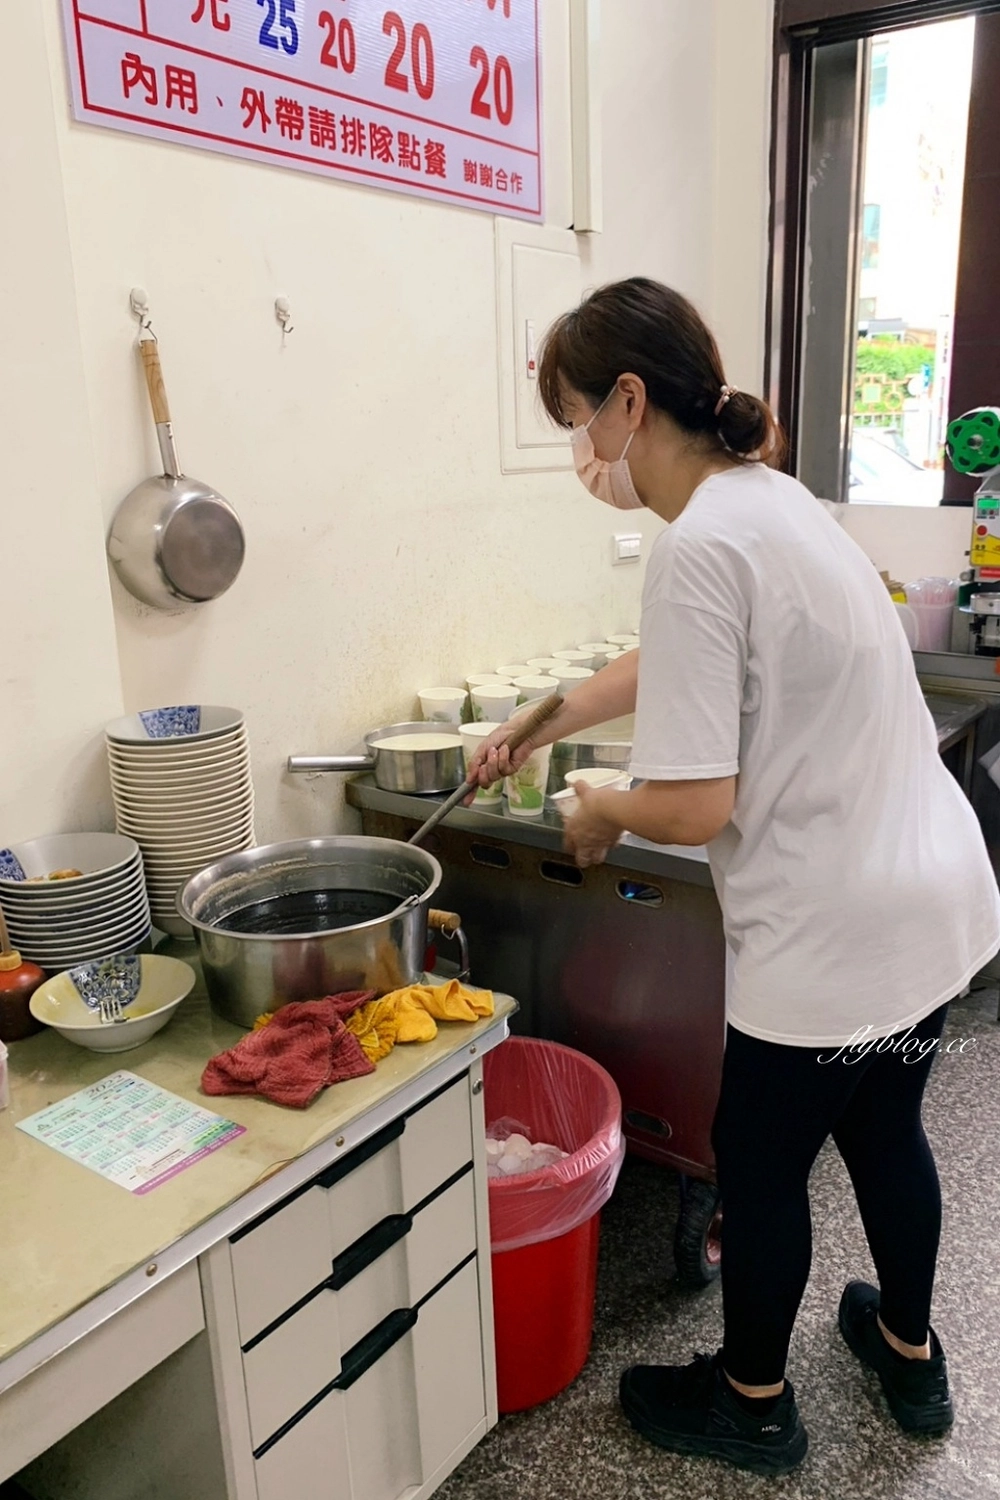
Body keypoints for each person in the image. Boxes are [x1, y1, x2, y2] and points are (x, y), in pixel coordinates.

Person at [467, 277, 1000, 1476]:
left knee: (757, 1163)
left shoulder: (698, 544)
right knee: (885, 1133)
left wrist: (596, 807)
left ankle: (752, 1398)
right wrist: (539, 720)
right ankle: (910, 1355)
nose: (579, 454)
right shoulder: (771, 502)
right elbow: (673, 658)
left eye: (574, 422)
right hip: (929, 903)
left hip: (834, 930)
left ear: (628, 400)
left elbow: (697, 804)